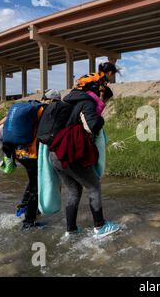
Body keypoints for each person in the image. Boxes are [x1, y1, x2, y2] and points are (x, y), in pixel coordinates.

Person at [49, 62, 119, 238]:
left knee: (74, 190)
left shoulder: (68, 102)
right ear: (93, 88)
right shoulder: (87, 102)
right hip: (68, 153)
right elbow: (94, 125)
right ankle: (99, 227)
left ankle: (71, 231)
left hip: (55, 153)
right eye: (100, 88)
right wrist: (100, 120)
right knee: (94, 186)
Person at [1, 89, 62, 230]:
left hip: (19, 153)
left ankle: (22, 209)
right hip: (32, 155)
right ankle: (28, 223)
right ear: (53, 101)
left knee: (32, 181)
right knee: (36, 187)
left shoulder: (28, 108)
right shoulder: (45, 111)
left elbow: (2, 121)